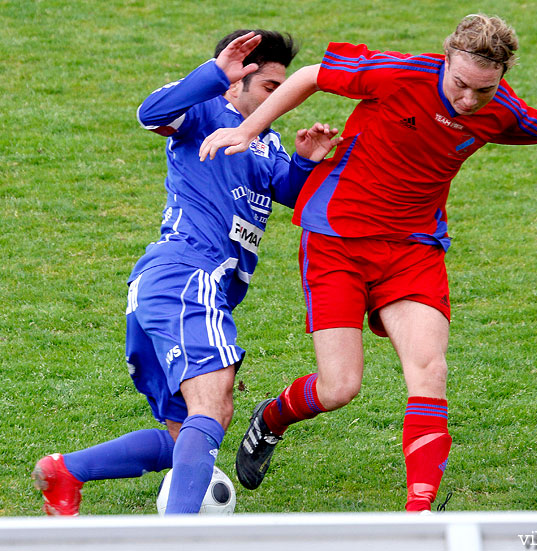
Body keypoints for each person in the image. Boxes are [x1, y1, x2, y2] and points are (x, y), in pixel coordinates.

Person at [199, 14, 537, 513]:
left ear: (503, 77)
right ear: (447, 59)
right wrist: (247, 130)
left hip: (413, 250)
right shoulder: (402, 75)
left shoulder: (500, 111)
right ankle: (273, 418)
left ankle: (419, 517)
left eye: (484, 91)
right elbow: (312, 75)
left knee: (430, 371)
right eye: (462, 85)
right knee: (340, 388)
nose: (469, 101)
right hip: (336, 239)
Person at [31, 29, 340, 515]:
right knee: (212, 408)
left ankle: (65, 471)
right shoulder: (205, 112)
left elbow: (290, 193)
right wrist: (213, 74)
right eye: (268, 88)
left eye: (283, 90)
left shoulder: (265, 141)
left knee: (186, 436)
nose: (279, 100)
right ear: (237, 79)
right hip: (186, 278)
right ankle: (180, 538)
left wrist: (304, 161)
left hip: (171, 291)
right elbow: (149, 114)